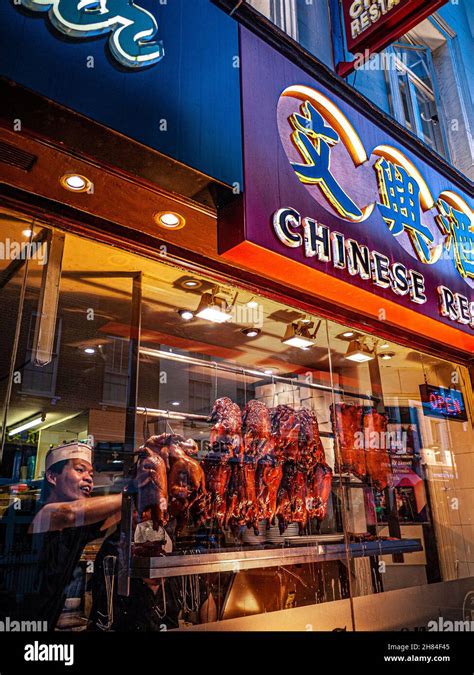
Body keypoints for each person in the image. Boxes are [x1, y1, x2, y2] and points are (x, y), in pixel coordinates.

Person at [0, 441, 123, 630]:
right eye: (80, 470)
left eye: (91, 474)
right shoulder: (25, 511)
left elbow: (117, 512)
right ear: (52, 476)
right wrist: (132, 493)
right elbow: (69, 513)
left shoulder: (79, 526)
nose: (89, 479)